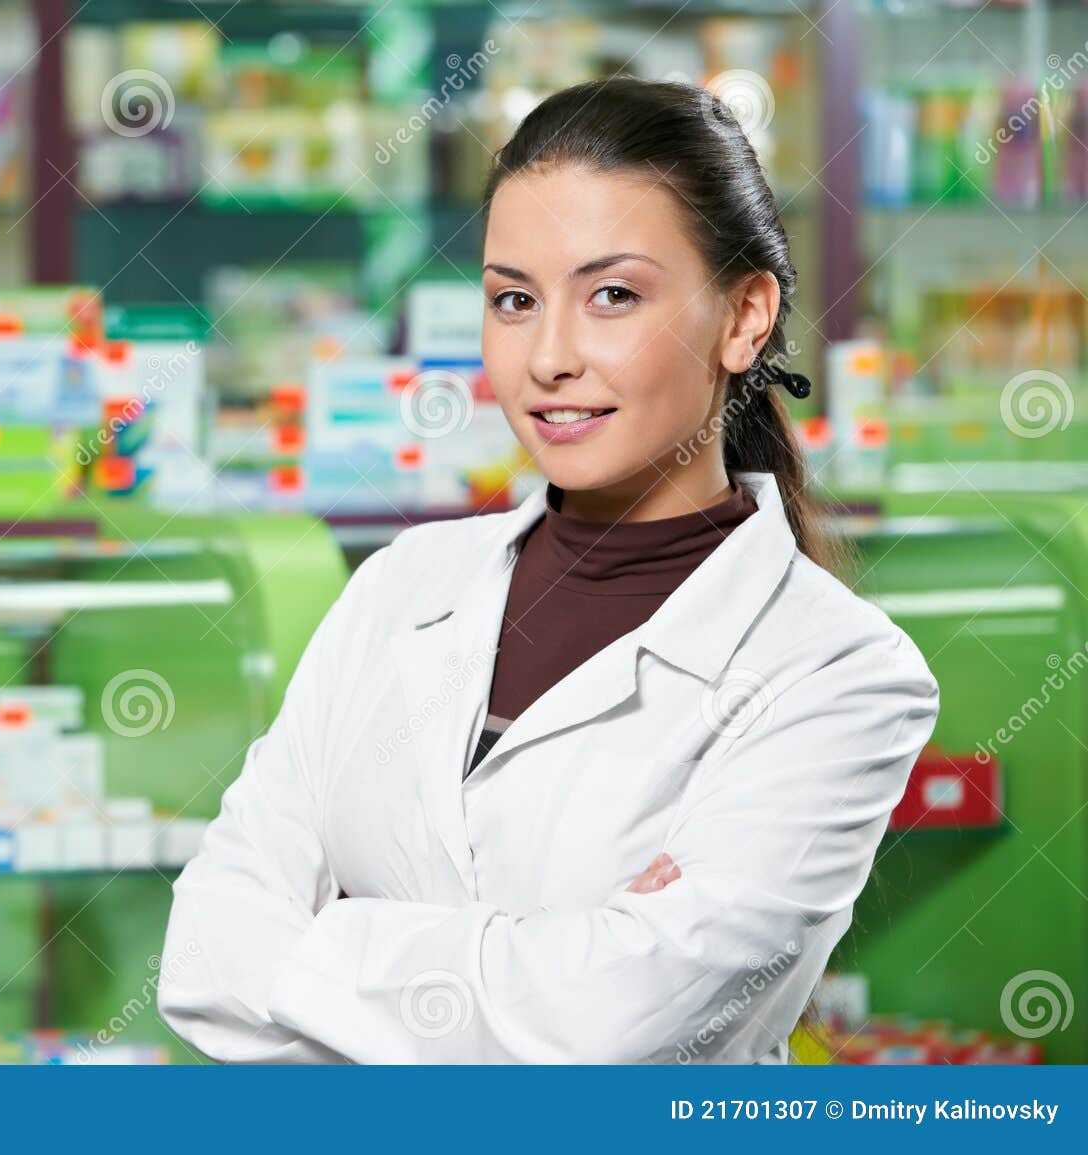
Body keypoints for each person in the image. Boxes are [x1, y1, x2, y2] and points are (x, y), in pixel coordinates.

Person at [157, 77, 940, 1064]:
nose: (548, 357)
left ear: (744, 318)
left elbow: (616, 1033)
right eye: (512, 300)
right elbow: (203, 955)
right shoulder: (404, 583)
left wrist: (318, 946)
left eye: (613, 295)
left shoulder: (839, 672)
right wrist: (546, 964)